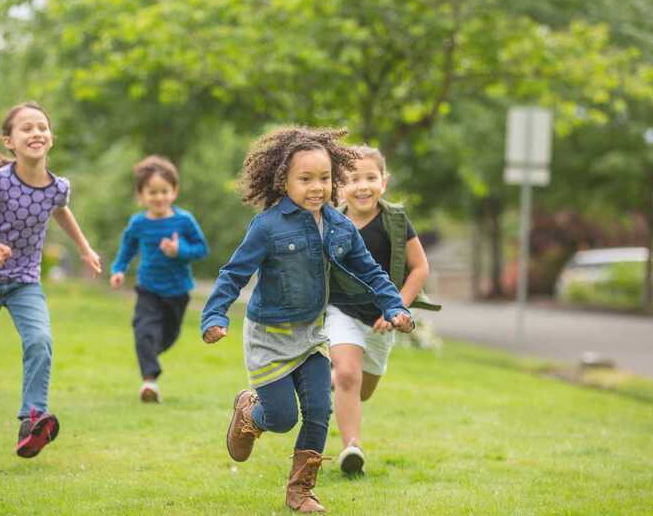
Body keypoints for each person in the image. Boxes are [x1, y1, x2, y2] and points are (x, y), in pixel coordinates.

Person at [201, 127, 411, 514]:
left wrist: (394, 306)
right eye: (306, 179)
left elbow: (372, 271)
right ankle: (250, 413)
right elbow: (234, 274)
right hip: (269, 338)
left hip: (313, 334)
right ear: (284, 181)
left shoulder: (338, 225)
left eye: (325, 178)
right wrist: (214, 315)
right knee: (280, 418)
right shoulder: (267, 226)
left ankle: (301, 491)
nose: (317, 187)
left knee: (318, 410)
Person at [0, 101, 102, 458]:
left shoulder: (58, 187)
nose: (36, 132)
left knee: (39, 340)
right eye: (26, 128)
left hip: (25, 280)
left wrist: (85, 248)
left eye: (42, 126)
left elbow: (61, 212)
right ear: (10, 141)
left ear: (50, 137)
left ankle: (33, 418)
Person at [327, 145, 440, 475]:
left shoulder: (396, 221)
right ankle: (352, 448)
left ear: (384, 182)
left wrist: (396, 309)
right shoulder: (330, 220)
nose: (362, 185)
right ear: (339, 186)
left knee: (363, 390)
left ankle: (329, 379)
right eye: (353, 178)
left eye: (370, 177)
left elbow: (419, 268)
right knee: (349, 374)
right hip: (340, 310)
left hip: (382, 320)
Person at [110, 155, 208, 403]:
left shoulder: (183, 221)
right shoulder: (138, 223)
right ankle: (149, 383)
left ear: (174, 191)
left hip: (177, 291)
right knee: (143, 330)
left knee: (167, 337)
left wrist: (179, 251)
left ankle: (149, 353)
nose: (159, 197)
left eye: (164, 191)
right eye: (152, 192)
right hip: (148, 288)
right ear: (141, 195)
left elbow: (201, 249)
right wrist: (119, 269)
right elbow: (127, 248)